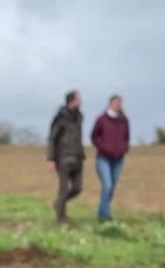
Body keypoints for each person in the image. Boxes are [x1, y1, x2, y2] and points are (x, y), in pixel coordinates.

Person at [47, 90, 85, 223]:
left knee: (77, 188)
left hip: (78, 157)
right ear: (72, 101)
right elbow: (52, 138)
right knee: (63, 188)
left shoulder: (80, 116)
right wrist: (51, 158)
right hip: (62, 157)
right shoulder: (60, 118)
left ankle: (58, 204)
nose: (81, 101)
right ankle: (61, 217)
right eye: (79, 98)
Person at [90, 94, 130, 221]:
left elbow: (127, 137)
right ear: (110, 104)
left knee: (112, 187)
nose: (118, 105)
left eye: (120, 103)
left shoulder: (124, 120)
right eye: (116, 102)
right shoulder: (101, 119)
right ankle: (104, 215)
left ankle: (104, 210)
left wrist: (124, 148)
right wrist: (101, 147)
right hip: (103, 158)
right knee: (107, 184)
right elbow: (94, 136)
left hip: (118, 158)